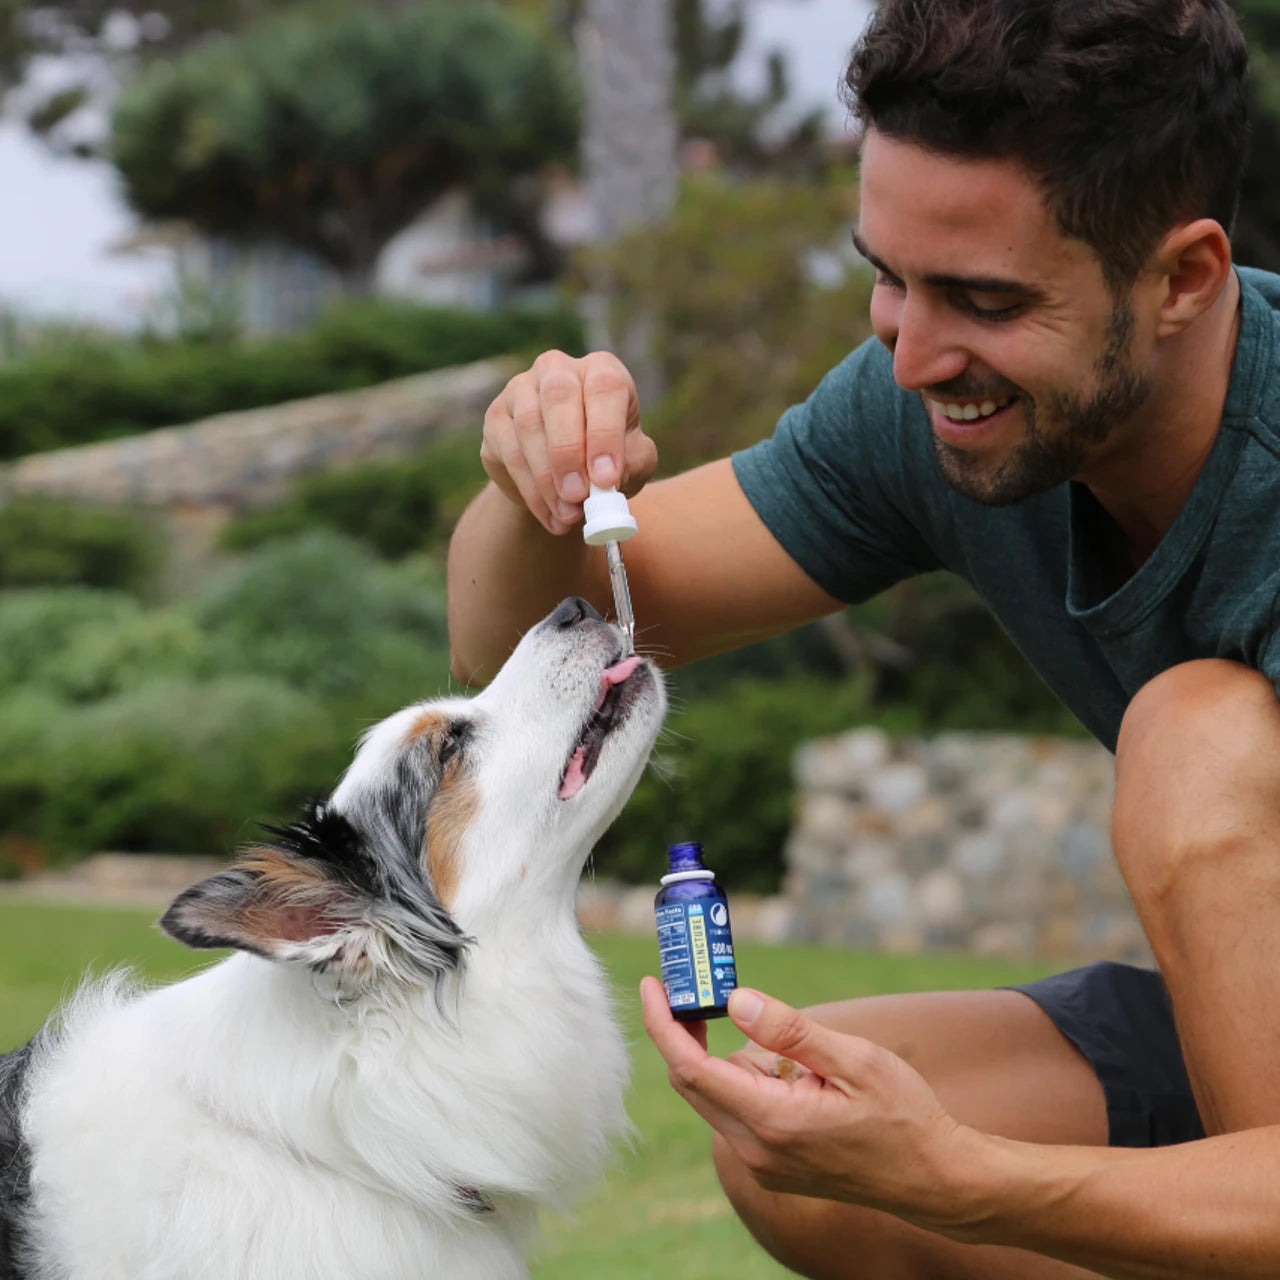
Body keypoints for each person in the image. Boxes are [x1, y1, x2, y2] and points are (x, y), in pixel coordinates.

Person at [446, 0, 1280, 1274]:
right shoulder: (933, 412)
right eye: (889, 278)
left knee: (1194, 735)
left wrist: (962, 1178)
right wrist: (531, 485)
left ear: (1180, 279)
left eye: (984, 299)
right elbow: (513, 650)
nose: (913, 356)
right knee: (803, 1131)